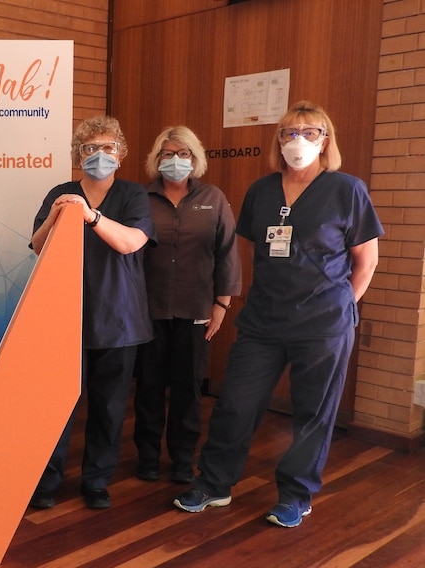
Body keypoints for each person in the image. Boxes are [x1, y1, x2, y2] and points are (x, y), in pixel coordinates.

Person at [173, 101, 383, 528]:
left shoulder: (347, 189)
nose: (298, 140)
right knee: (236, 404)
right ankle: (214, 484)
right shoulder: (262, 190)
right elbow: (261, 250)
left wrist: (341, 306)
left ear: (326, 140)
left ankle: (295, 495)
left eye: (310, 132)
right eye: (289, 132)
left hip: (323, 325)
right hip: (263, 322)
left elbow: (367, 262)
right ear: (278, 141)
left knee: (312, 413)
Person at [28, 115, 155, 510]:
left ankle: (96, 481)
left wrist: (92, 216)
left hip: (119, 319)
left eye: (107, 148)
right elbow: (36, 246)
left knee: (110, 405)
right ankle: (46, 482)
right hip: (65, 316)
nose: (99, 155)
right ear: (77, 155)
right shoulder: (61, 192)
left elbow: (132, 242)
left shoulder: (134, 195)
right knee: (57, 405)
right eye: (89, 148)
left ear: (121, 154)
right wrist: (57, 214)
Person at [134, 126, 242, 484]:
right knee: (149, 385)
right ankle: (147, 455)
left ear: (195, 159)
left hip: (196, 307)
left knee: (188, 387)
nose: (175, 160)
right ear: (156, 158)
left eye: (183, 154)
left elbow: (227, 253)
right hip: (148, 308)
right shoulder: (140, 198)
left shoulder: (213, 197)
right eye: (168, 153)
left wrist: (221, 305)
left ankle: (182, 457)